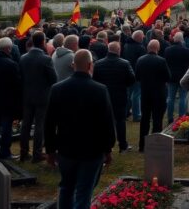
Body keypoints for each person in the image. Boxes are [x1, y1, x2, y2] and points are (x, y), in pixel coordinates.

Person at [45, 49, 116, 209]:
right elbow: (107, 123)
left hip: (66, 148)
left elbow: (49, 123)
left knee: (66, 188)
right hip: (91, 150)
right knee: (83, 192)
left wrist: (50, 149)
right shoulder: (99, 89)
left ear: (73, 65)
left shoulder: (57, 88)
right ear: (90, 65)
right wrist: (108, 148)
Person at [19, 31, 57, 162]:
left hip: (27, 95)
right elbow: (54, 79)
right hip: (42, 96)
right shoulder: (46, 58)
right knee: (40, 125)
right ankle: (37, 153)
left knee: (26, 124)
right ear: (42, 42)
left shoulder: (23, 57)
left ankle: (23, 152)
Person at [93, 41, 136, 152]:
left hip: (103, 96)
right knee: (120, 121)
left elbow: (94, 79)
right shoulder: (125, 63)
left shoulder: (98, 64)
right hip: (119, 96)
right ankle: (122, 145)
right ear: (118, 50)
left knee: (104, 121)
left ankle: (105, 145)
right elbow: (131, 79)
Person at [135, 40, 171, 152]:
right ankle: (156, 145)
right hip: (159, 93)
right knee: (157, 119)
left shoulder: (140, 60)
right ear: (158, 48)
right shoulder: (161, 61)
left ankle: (142, 145)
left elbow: (137, 76)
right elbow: (168, 77)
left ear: (148, 48)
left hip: (145, 93)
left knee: (145, 119)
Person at [163, 32, 189, 124]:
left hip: (171, 76)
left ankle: (170, 117)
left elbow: (166, 62)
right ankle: (181, 117)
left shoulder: (167, 50)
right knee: (183, 98)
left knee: (170, 98)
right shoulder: (186, 50)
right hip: (183, 76)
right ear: (182, 39)